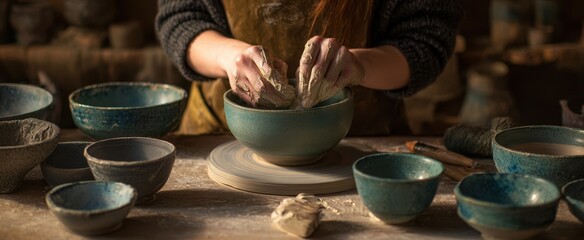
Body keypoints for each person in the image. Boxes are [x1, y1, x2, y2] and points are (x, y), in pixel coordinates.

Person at [156, 0, 462, 135]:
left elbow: (426, 39)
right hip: (222, 132)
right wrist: (230, 56)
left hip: (357, 140)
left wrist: (360, 65)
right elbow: (180, 17)